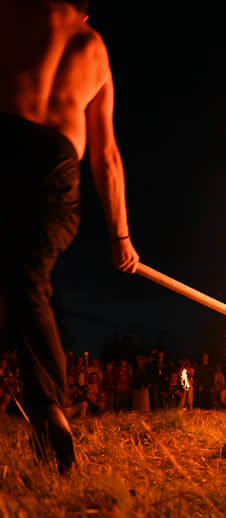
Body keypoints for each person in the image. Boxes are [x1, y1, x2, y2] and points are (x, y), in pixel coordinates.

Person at [0, 0, 139, 472]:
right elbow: (107, 156)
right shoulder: (92, 45)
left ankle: (47, 408)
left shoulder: (12, 14)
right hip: (57, 164)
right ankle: (49, 409)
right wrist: (121, 236)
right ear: (86, 7)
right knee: (29, 284)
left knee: (18, 287)